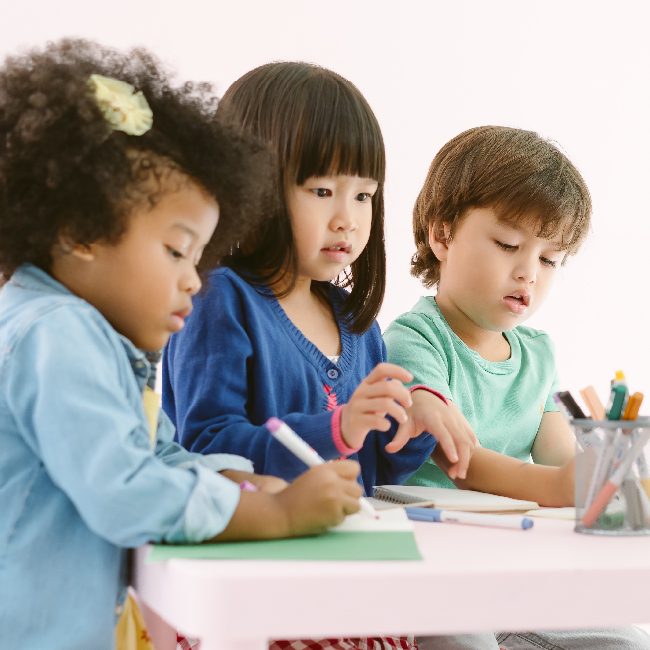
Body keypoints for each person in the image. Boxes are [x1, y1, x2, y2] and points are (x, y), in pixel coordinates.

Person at [0, 40, 364, 650]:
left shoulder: (96, 340)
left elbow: (159, 453)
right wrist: (273, 516)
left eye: (200, 257)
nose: (194, 279)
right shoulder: (54, 334)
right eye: (176, 251)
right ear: (81, 232)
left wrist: (238, 483)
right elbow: (124, 491)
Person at [162, 61, 476, 650]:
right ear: (249, 185)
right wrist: (338, 425)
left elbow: (374, 471)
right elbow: (208, 448)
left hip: (349, 584)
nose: (347, 219)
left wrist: (414, 426)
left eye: (364, 195)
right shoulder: (218, 297)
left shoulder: (356, 321)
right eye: (323, 191)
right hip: (260, 591)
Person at [385, 125, 650, 649]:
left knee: (622, 639)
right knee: (464, 642)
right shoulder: (412, 341)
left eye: (550, 258)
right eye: (509, 245)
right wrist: (559, 488)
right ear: (442, 236)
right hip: (434, 569)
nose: (529, 272)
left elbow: (556, 456)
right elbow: (463, 464)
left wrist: (604, 482)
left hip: (514, 566)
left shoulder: (539, 354)